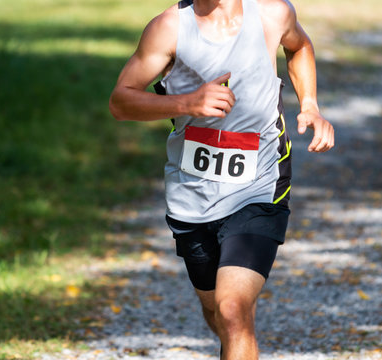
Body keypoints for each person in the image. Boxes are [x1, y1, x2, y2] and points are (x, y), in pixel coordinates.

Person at [109, 0, 334, 358]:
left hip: (259, 184)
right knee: (217, 309)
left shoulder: (272, 13)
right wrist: (187, 103)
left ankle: (238, 321)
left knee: (232, 311)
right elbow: (120, 102)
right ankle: (238, 330)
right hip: (192, 196)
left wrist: (310, 106)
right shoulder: (169, 28)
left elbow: (300, 46)